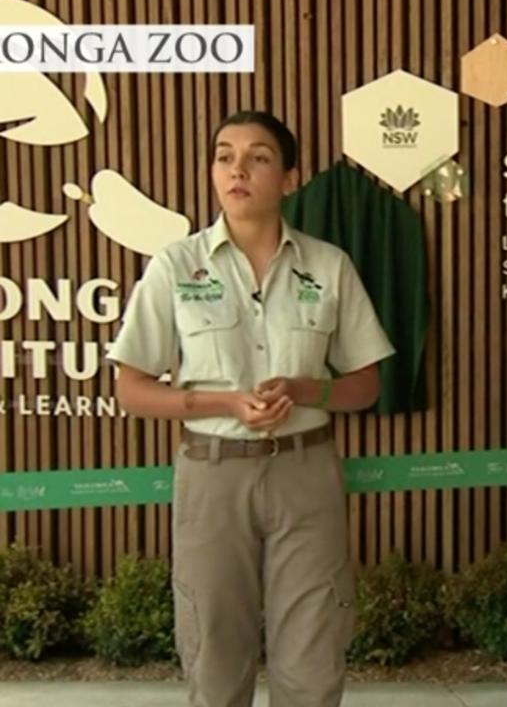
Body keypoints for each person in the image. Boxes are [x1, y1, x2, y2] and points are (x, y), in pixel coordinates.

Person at [108, 111, 395, 707]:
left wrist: (306, 388)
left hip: (306, 472)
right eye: (224, 155)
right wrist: (221, 401)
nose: (237, 169)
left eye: (258, 157)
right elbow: (131, 388)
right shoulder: (175, 266)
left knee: (313, 657)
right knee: (214, 653)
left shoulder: (328, 265)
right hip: (212, 474)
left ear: (290, 177)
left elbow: (365, 384)